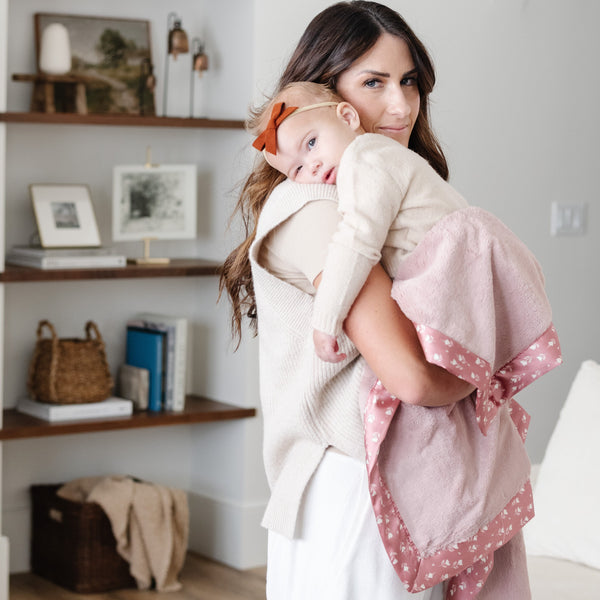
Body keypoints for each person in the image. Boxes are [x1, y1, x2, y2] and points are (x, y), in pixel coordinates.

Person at [219, 2, 532, 598]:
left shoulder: (390, 193)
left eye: (409, 81)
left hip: (409, 482)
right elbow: (412, 377)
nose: (401, 105)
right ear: (324, 93)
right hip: (353, 490)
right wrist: (484, 377)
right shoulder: (313, 207)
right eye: (374, 82)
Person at [250, 80, 467, 362]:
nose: (312, 165)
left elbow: (357, 241)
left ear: (348, 117)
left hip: (452, 272)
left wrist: (326, 322)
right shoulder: (369, 161)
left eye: (312, 143)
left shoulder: (366, 160)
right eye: (298, 168)